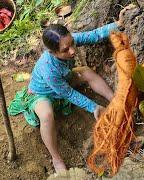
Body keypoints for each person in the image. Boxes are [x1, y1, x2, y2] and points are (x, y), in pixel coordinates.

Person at [8, 4, 136, 173]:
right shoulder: (48, 68)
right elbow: (67, 93)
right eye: (65, 50)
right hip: (41, 94)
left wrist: (118, 24)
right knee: (46, 114)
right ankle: (56, 158)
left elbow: (94, 35)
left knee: (86, 72)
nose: (73, 51)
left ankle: (117, 102)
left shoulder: (68, 42)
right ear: (52, 53)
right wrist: (93, 107)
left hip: (64, 79)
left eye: (72, 44)